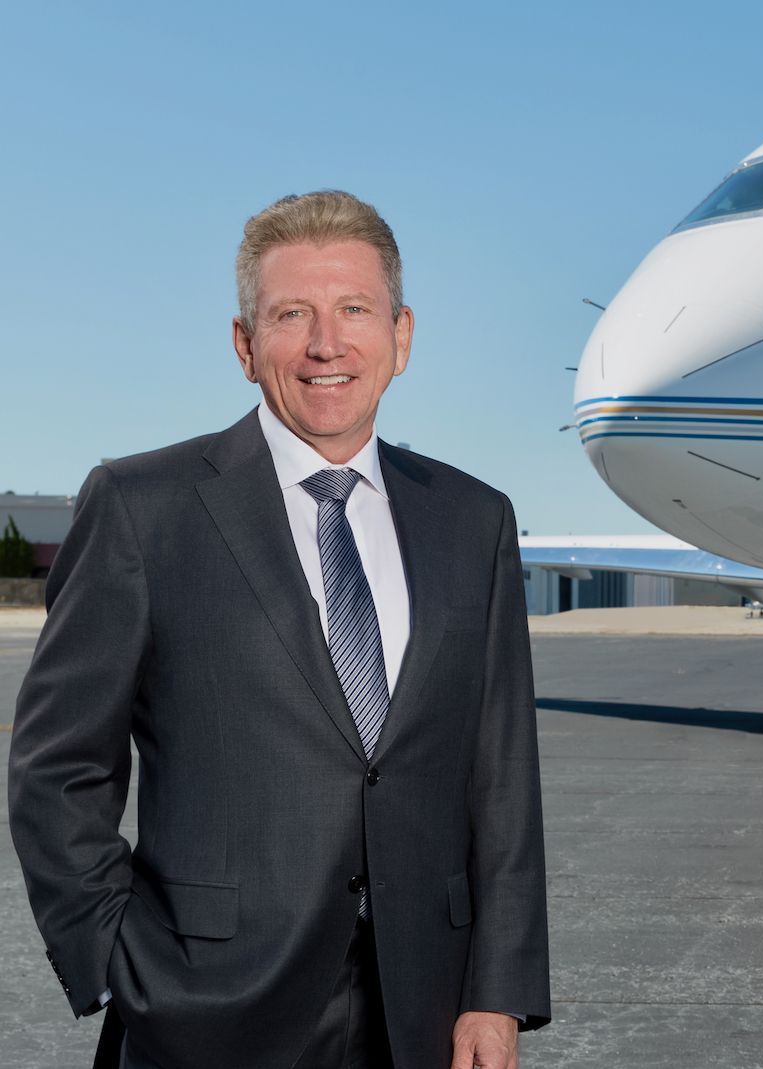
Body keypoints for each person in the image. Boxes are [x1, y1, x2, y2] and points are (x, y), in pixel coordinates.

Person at [9, 190, 551, 1068]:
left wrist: (500, 987)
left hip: (427, 1010)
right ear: (246, 345)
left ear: (401, 335)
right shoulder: (144, 509)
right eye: (291, 314)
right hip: (201, 1011)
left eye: (354, 311)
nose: (326, 344)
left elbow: (502, 776)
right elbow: (57, 766)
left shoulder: (474, 519)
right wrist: (118, 962)